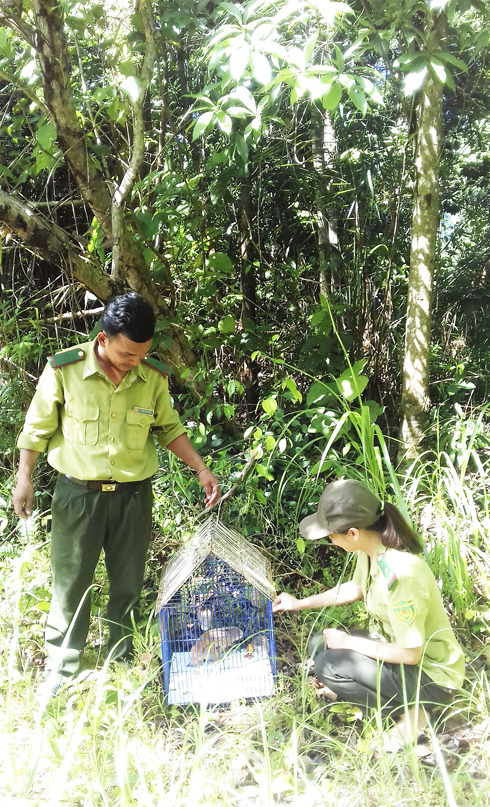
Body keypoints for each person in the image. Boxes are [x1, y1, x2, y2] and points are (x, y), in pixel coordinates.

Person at [12, 292, 220, 693]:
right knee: (71, 583)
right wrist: (24, 476)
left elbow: (170, 429)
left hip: (132, 497)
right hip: (78, 496)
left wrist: (202, 468)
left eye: (142, 354)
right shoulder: (64, 369)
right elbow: (36, 429)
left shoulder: (152, 377)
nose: (135, 362)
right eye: (127, 354)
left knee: (128, 582)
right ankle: (64, 664)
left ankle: (120, 657)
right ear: (103, 339)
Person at [272, 479, 465, 747]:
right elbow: (356, 588)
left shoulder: (400, 575)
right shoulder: (373, 550)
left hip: (431, 676)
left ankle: (417, 713)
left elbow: (410, 654)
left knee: (330, 665)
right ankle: (386, 699)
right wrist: (298, 603)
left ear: (352, 533)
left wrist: (348, 642)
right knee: (320, 643)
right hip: (394, 648)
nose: (329, 539)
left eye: (331, 534)